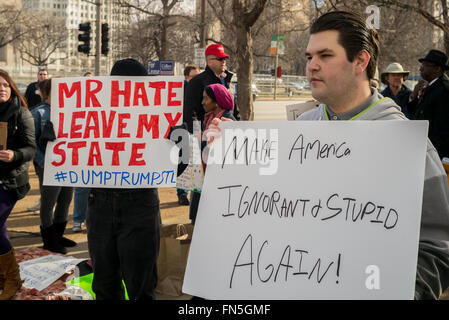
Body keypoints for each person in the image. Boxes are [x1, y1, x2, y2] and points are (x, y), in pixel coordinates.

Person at [209, 10, 449, 300]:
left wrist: (403, 291)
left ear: (360, 61)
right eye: (310, 57)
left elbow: (437, 249)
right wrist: (232, 155)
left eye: (325, 56)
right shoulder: (299, 131)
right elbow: (273, 208)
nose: (312, 66)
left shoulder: (409, 147)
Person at [86, 58, 161, 300]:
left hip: (140, 204)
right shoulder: (91, 113)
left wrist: (179, 141)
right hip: (100, 203)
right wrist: (55, 140)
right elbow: (72, 157)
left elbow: (177, 168)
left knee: (141, 286)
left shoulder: (159, 115)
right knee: (104, 285)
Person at [0, 69, 36, 300]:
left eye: (4, 85)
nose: (1, 89)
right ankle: (4, 275)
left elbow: (31, 148)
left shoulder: (21, 114)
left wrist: (15, 154)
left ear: (11, 88)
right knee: (0, 228)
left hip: (10, 182)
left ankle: (13, 277)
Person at [31, 79, 76, 254]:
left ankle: (58, 235)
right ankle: (49, 240)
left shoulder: (70, 111)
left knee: (65, 200)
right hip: (49, 167)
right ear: (49, 92)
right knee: (48, 202)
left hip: (67, 165)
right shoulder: (38, 113)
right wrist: (45, 164)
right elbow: (32, 143)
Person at [189, 84, 236, 224]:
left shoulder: (228, 122)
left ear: (217, 101)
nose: (203, 102)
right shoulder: (207, 119)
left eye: (206, 98)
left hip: (218, 186)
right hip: (203, 179)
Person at [184, 43, 235, 133]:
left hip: (229, 134)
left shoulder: (228, 81)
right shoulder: (197, 82)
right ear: (209, 61)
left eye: (224, 58)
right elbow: (190, 112)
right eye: (220, 58)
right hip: (207, 136)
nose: (223, 61)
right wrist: (199, 134)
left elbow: (234, 111)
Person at [408, 49, 449, 159]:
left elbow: (442, 128)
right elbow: (418, 114)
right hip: (424, 149)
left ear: (437, 69)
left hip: (436, 154)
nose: (421, 68)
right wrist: (414, 96)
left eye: (426, 65)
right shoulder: (430, 87)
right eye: (422, 65)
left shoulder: (444, 90)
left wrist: (439, 156)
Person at [72, 71, 94, 232]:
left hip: (100, 153)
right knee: (81, 188)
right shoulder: (74, 102)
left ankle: (90, 219)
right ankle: (78, 220)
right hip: (81, 152)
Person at [176, 65, 201, 206]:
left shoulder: (200, 90)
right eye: (194, 76)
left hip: (196, 128)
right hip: (183, 129)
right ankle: (182, 194)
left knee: (195, 163)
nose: (197, 79)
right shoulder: (179, 90)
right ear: (186, 77)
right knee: (183, 162)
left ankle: (194, 194)